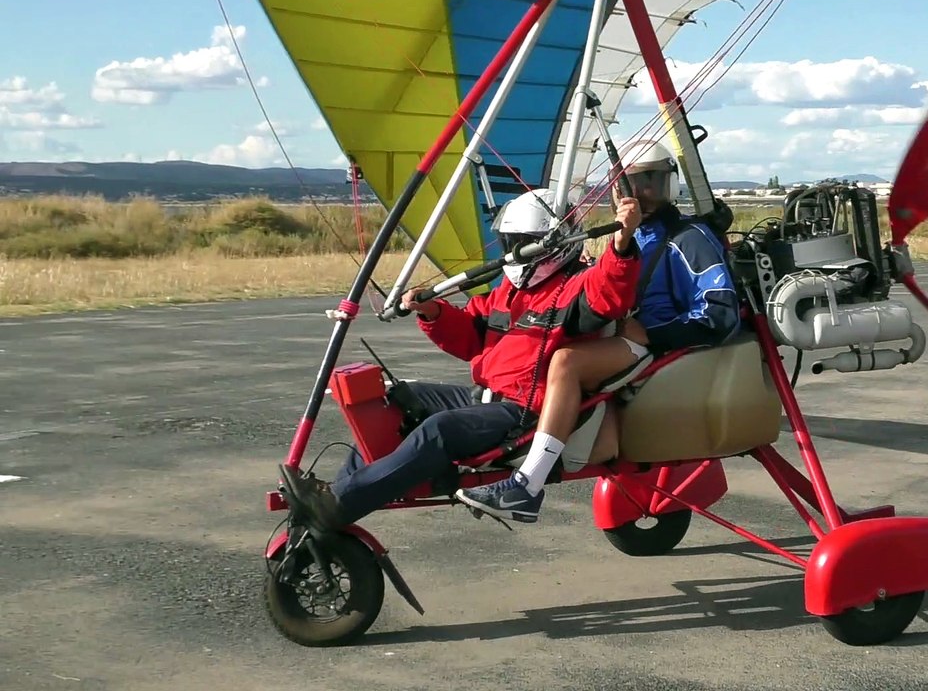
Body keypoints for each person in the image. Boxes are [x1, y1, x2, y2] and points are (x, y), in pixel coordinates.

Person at [277, 187, 644, 534]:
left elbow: (611, 292)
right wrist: (433, 312)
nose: (514, 252)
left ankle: (341, 502)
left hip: (524, 411)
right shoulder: (508, 291)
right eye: (510, 243)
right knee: (397, 401)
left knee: (440, 430)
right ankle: (340, 493)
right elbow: (471, 335)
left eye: (522, 244)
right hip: (486, 396)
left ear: (551, 245)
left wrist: (622, 244)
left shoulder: (579, 284)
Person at [453, 139, 741, 523]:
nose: (644, 195)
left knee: (566, 361)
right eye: (632, 185)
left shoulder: (690, 239)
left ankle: (527, 483)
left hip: (667, 350)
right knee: (538, 343)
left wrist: (654, 334)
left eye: (653, 182)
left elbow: (721, 313)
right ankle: (513, 442)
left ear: (670, 184)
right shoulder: (629, 235)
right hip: (622, 340)